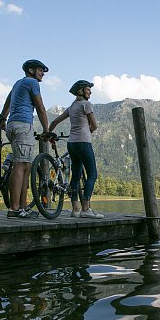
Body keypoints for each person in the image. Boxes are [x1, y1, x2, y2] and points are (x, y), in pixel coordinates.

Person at [0, 59, 50, 218]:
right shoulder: (32, 82)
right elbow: (41, 108)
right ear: (31, 70)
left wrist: (2, 119)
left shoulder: (17, 83)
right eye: (40, 70)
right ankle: (14, 209)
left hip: (13, 125)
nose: (42, 73)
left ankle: (23, 207)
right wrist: (46, 130)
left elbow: (7, 103)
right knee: (20, 165)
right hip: (23, 125)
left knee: (26, 166)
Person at [48, 80, 103, 218]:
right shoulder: (86, 104)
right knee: (92, 174)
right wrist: (89, 131)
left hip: (71, 144)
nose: (90, 92)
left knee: (76, 176)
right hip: (84, 142)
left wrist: (48, 134)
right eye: (88, 89)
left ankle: (75, 209)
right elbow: (94, 125)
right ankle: (86, 209)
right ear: (81, 91)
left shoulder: (72, 107)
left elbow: (55, 121)